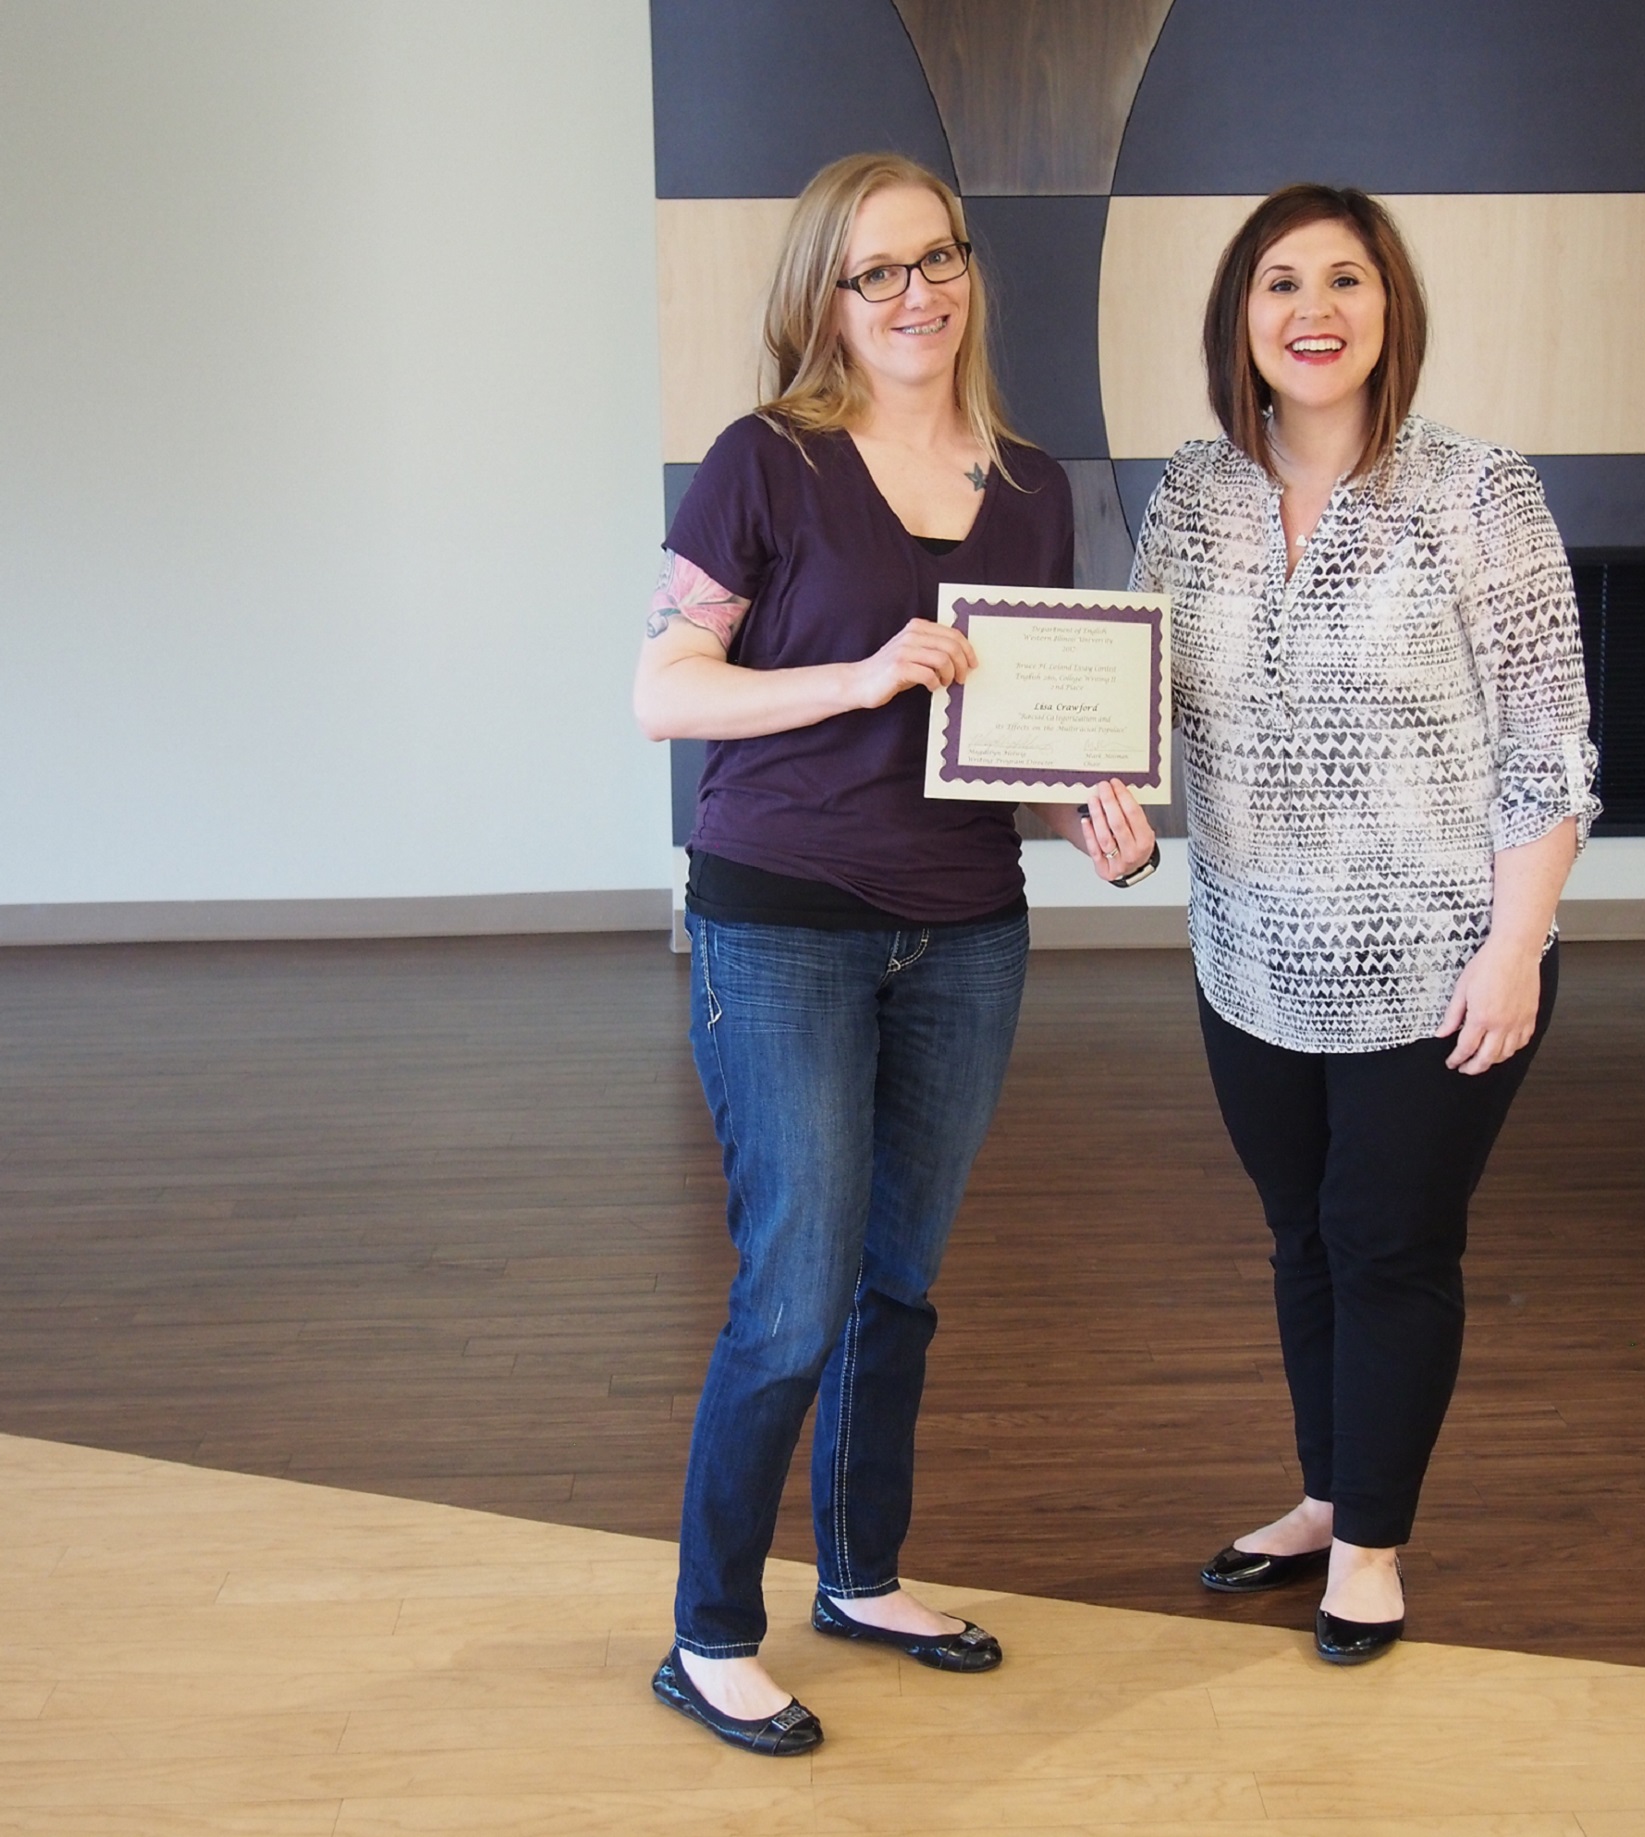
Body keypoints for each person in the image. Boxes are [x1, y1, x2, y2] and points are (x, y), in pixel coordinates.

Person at [631, 151, 1158, 1754]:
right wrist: (855, 677)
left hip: (964, 932)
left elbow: (1006, 736)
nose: (916, 293)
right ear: (826, 297)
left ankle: (860, 1576)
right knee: (793, 1292)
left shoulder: (1031, 486)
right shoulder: (764, 461)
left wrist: (1086, 810)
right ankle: (710, 1632)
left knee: (896, 1282)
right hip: (779, 919)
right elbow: (663, 689)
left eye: (938, 259)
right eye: (877, 271)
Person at [1131, 184, 1598, 1664]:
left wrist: (1515, 948)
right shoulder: (1192, 494)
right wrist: (1088, 790)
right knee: (1304, 1237)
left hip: (1445, 960)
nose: (1313, 310)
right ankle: (1329, 1495)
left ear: (1391, 308)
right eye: (1281, 282)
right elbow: (1135, 703)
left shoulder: (1478, 492)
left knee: (1388, 1240)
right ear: (1240, 316)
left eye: (1346, 278)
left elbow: (1547, 749)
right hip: (1248, 953)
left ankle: (1373, 1549)